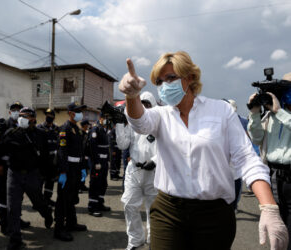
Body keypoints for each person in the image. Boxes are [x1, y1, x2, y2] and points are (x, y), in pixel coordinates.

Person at [118, 52, 288, 250]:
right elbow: (140, 123)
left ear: (190, 77)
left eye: (171, 77)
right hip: (168, 210)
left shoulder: (221, 111)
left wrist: (268, 206)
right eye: (159, 81)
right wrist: (131, 97)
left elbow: (246, 158)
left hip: (214, 214)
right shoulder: (161, 115)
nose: (165, 85)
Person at [247, 72, 291, 249]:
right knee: (277, 231)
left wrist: (279, 112)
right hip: (274, 177)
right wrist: (255, 114)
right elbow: (257, 138)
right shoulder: (271, 116)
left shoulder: (279, 114)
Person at [2, 107, 53, 250]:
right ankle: (15, 239)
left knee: (38, 201)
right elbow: (2, 151)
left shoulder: (41, 134)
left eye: (26, 116)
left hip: (32, 174)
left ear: (33, 119)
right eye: (21, 116)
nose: (22, 118)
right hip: (14, 174)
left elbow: (45, 156)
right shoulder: (11, 133)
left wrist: (49, 174)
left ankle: (47, 214)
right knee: (13, 207)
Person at [116, 91, 158, 250]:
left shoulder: (159, 123)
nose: (145, 108)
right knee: (129, 204)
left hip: (153, 173)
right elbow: (122, 145)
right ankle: (135, 240)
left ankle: (154, 241)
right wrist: (120, 123)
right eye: (143, 104)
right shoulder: (133, 123)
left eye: (148, 104)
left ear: (153, 106)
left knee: (153, 209)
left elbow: (167, 147)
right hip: (134, 170)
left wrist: (155, 161)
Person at [54, 102, 87, 241]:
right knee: (62, 200)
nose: (80, 113)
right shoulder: (65, 129)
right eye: (78, 111)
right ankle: (59, 229)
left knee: (72, 198)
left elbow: (80, 151)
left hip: (76, 169)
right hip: (67, 170)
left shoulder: (77, 129)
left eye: (81, 111)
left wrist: (83, 167)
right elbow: (62, 152)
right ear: (71, 113)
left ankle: (71, 223)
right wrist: (62, 172)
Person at [88, 112, 112, 217]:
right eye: (105, 118)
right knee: (95, 184)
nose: (106, 120)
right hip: (97, 162)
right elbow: (92, 147)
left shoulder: (104, 129)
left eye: (108, 118)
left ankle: (100, 203)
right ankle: (92, 207)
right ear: (100, 118)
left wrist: (108, 160)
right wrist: (96, 162)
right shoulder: (95, 129)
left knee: (103, 183)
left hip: (104, 162)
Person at [37, 108, 59, 206]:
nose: (48, 117)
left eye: (50, 116)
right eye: (47, 115)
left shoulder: (56, 129)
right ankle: (37, 201)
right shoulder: (39, 127)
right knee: (40, 181)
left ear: (53, 117)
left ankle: (47, 199)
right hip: (42, 160)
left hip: (52, 160)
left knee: (50, 181)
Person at [80, 119, 91, 192]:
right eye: (87, 125)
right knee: (81, 172)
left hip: (85, 156)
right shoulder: (80, 134)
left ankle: (82, 185)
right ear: (84, 125)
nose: (88, 126)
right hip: (81, 157)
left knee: (84, 172)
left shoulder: (85, 134)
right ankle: (79, 186)